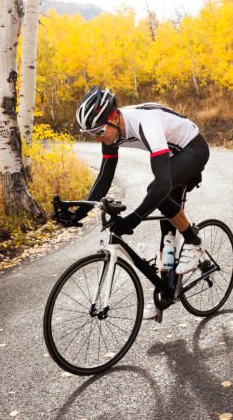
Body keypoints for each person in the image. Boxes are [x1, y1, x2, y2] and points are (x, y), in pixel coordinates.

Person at [73, 87, 210, 319]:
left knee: (158, 191)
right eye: (90, 134)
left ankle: (195, 241)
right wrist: (78, 211)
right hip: (171, 154)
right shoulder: (112, 130)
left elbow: (162, 184)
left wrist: (134, 219)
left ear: (114, 117)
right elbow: (104, 178)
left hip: (192, 149)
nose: (97, 138)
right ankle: (165, 291)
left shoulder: (145, 122)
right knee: (167, 232)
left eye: (98, 131)